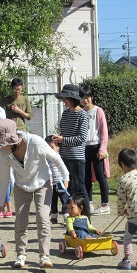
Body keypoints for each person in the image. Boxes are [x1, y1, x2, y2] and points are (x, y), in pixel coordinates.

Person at [0, 119, 69, 269]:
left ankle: (44, 256)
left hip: (42, 183)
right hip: (21, 186)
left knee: (43, 218)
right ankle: (21, 255)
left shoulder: (35, 142)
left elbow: (55, 158)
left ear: (12, 140)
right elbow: (4, 178)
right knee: (20, 221)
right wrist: (0, 203)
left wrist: (65, 176)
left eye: (1, 142)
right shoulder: (4, 152)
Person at [52, 84, 90, 212]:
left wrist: (63, 140)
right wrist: (58, 139)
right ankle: (72, 217)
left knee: (80, 188)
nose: (63, 101)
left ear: (71, 98)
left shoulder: (83, 115)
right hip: (64, 157)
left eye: (65, 98)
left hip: (77, 157)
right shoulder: (65, 114)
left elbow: (81, 138)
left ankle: (86, 217)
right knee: (69, 189)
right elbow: (64, 133)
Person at [80, 85, 110, 215]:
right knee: (86, 177)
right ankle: (89, 203)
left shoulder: (98, 111)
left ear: (91, 98)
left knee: (100, 176)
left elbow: (104, 131)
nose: (85, 100)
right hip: (83, 147)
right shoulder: (80, 112)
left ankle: (105, 205)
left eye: (87, 97)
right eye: (83, 98)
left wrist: (102, 149)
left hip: (97, 146)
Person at [45, 136, 70, 224]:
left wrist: (66, 180)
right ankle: (54, 217)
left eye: (52, 148)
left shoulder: (60, 157)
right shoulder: (46, 159)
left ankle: (67, 217)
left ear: (57, 147)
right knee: (53, 200)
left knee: (64, 200)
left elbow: (65, 170)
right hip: (51, 183)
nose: (50, 150)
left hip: (60, 182)